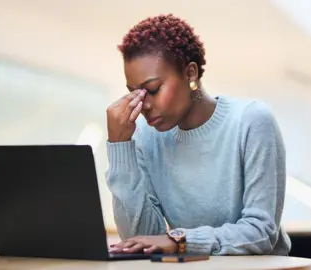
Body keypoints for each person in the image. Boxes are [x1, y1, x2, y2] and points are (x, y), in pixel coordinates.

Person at [105, 14, 291, 256]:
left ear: (191, 73)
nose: (143, 105)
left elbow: (261, 232)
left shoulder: (251, 121)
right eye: (134, 94)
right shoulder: (145, 137)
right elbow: (140, 240)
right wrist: (120, 146)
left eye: (152, 89)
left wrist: (181, 240)